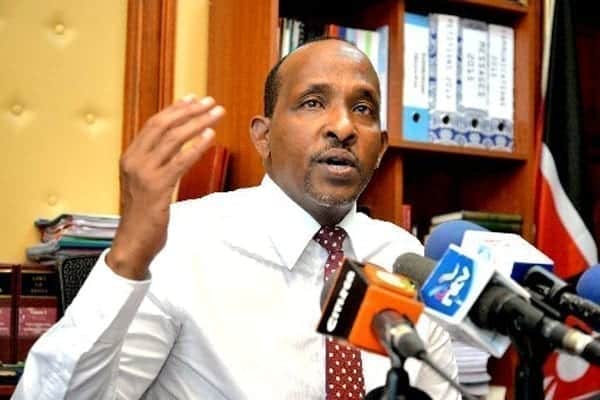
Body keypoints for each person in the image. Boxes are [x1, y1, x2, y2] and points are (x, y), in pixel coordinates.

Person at [13, 38, 458, 399]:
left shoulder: (404, 258)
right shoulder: (182, 242)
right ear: (263, 137)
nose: (342, 126)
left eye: (362, 108)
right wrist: (127, 261)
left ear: (379, 148)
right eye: (312, 102)